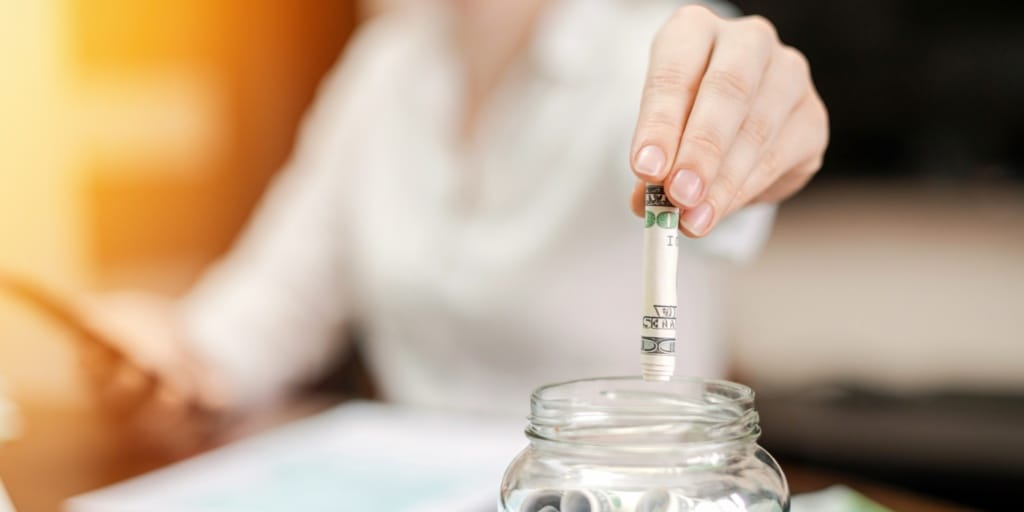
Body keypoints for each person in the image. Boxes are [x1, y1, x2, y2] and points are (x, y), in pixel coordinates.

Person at [80, 0, 828, 440]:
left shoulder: (653, 45)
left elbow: (727, 167)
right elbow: (265, 318)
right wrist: (171, 352)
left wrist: (761, 145)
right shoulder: (387, 63)